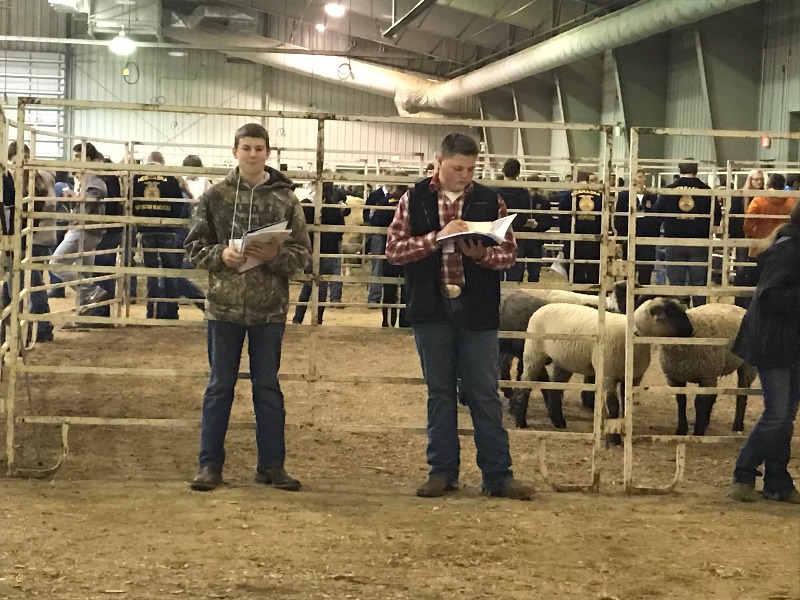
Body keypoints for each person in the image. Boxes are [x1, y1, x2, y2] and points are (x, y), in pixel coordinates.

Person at [385, 132, 534, 501]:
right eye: (457, 168)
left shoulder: (490, 200)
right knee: (439, 392)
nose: (464, 176)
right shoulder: (414, 197)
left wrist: (482, 256)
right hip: (431, 306)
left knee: (484, 393)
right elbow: (393, 251)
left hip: (477, 308)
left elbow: (510, 254)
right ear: (440, 161)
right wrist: (437, 237)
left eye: (470, 168)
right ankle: (442, 471)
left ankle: (498, 475)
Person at [185, 122, 311, 492]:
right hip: (223, 307)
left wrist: (275, 255)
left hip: (269, 309)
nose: (253, 154)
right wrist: (219, 254)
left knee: (267, 387)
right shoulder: (215, 197)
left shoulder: (287, 200)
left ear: (268, 153)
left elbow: (302, 253)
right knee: (219, 387)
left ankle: (272, 465)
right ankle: (209, 465)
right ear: (235, 151)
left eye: (259, 148)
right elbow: (193, 246)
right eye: (247, 147)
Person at [728, 200, 800, 505]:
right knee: (776, 414)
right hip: (774, 341)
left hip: (790, 342)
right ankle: (743, 473)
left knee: (785, 417)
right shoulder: (790, 251)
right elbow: (770, 297)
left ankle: (777, 480)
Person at [2, 142, 56, 343]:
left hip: (34, 236)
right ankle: (38, 326)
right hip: (35, 235)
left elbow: (45, 205)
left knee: (31, 283)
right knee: (27, 282)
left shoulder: (35, 177)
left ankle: (39, 328)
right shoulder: (40, 175)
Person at [652, 160, 721, 307]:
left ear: (679, 170)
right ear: (696, 170)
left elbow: (656, 213)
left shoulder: (669, 190)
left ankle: (679, 314)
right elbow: (717, 216)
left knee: (677, 283)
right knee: (699, 283)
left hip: (674, 241)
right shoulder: (707, 190)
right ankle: (699, 314)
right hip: (700, 242)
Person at [49, 142, 109, 311]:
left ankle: (91, 289)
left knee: (56, 263)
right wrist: (77, 196)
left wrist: (77, 197)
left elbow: (98, 192)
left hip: (85, 228)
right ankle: (86, 312)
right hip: (90, 228)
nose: (74, 160)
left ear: (87, 158)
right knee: (83, 269)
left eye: (77, 156)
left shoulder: (92, 175)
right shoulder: (90, 175)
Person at [132, 151, 187, 320]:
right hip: (167, 229)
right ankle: (171, 311)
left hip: (146, 229)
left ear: (148, 161)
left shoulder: (137, 177)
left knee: (151, 272)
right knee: (169, 271)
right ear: (162, 162)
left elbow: (131, 202)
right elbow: (179, 204)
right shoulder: (170, 177)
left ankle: (152, 311)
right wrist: (173, 221)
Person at [291, 181, 345, 325]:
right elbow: (341, 228)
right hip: (328, 249)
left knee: (308, 284)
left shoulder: (305, 205)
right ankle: (318, 318)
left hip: (310, 248)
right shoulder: (333, 207)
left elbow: (298, 227)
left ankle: (298, 318)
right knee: (322, 285)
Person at [495, 159, 552, 283]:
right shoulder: (522, 192)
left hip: (499, 232)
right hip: (517, 234)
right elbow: (524, 214)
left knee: (498, 267)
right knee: (515, 269)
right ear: (518, 173)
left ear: (504, 170)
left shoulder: (495, 191)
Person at [614, 169, 659, 286]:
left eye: (640, 177)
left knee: (646, 269)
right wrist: (620, 238)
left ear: (645, 178)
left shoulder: (652, 196)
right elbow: (619, 218)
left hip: (647, 238)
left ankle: (643, 296)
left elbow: (656, 217)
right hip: (628, 237)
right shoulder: (624, 196)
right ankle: (626, 295)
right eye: (635, 177)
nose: (638, 180)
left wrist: (654, 235)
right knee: (628, 268)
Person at [558, 171, 603, 286]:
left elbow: (563, 220)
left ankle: (578, 296)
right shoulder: (600, 197)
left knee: (575, 273)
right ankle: (593, 298)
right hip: (594, 241)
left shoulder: (568, 196)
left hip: (574, 240)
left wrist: (566, 237)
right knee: (594, 273)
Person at [731, 170, 765, 308]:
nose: (759, 182)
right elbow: (733, 218)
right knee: (741, 269)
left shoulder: (765, 197)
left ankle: (753, 302)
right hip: (743, 238)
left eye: (760, 179)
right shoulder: (740, 196)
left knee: (756, 269)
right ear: (750, 180)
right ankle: (739, 303)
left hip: (760, 239)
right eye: (756, 179)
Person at [364, 181, 390, 304]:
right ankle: (374, 298)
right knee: (377, 266)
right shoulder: (375, 195)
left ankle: (390, 297)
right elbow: (365, 214)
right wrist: (371, 215)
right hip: (378, 234)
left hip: (394, 234)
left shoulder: (402, 195)